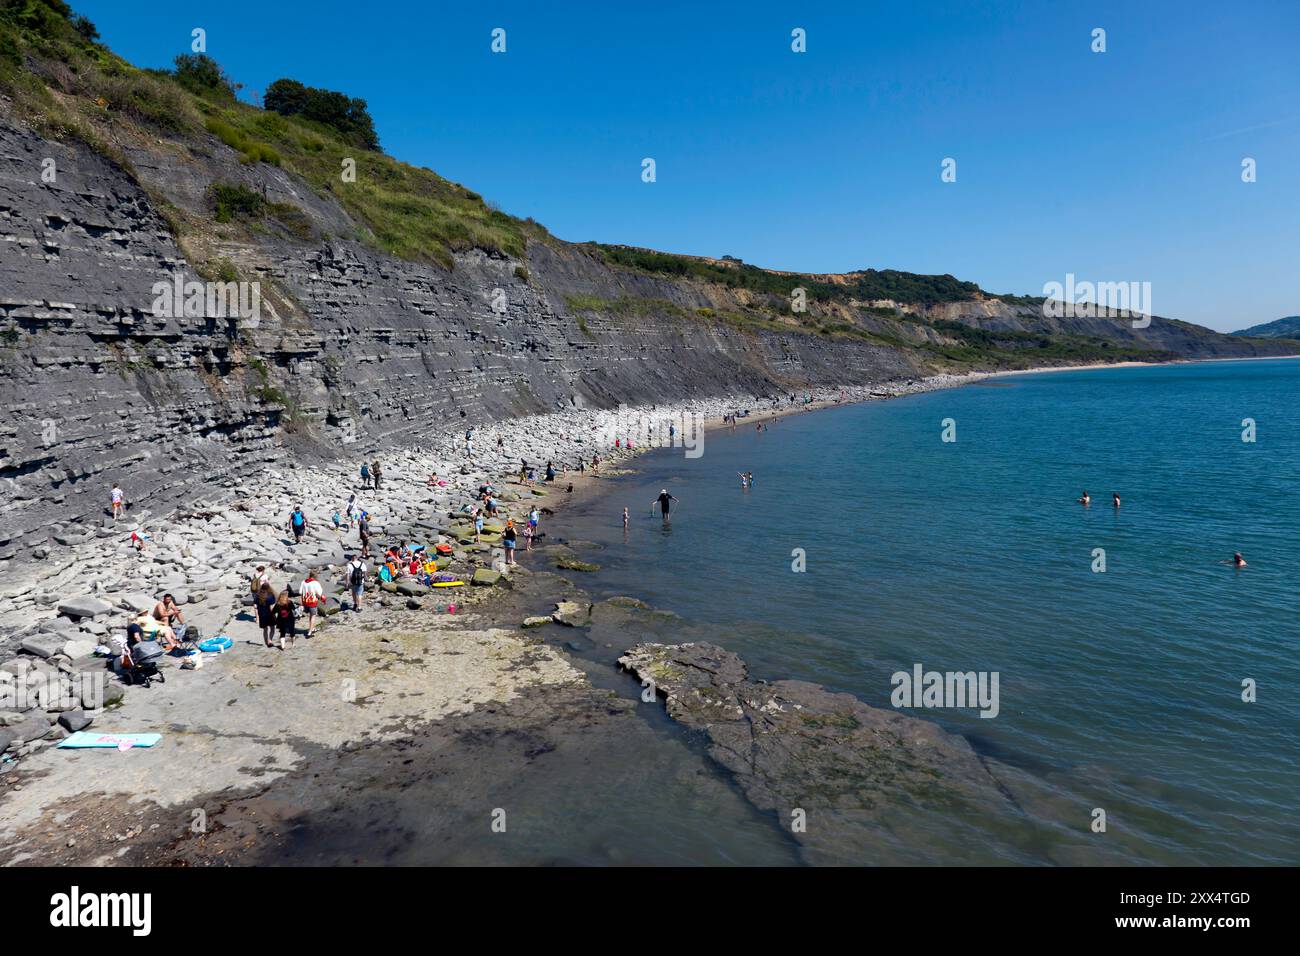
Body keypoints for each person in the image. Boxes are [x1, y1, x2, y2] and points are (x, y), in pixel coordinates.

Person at [300, 570, 324, 637]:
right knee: (313, 615)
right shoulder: (315, 583)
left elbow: (300, 592)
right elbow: (319, 593)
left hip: (305, 601)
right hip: (312, 601)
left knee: (311, 615)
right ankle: (309, 632)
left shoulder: (303, 582)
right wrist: (322, 598)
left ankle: (312, 628)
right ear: (315, 576)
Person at [255, 581, 277, 647]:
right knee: (272, 628)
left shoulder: (257, 595)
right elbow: (271, 607)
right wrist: (275, 615)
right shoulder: (270, 595)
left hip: (261, 615)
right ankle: (270, 640)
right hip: (269, 615)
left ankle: (266, 642)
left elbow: (255, 606)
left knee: (265, 630)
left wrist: (257, 618)